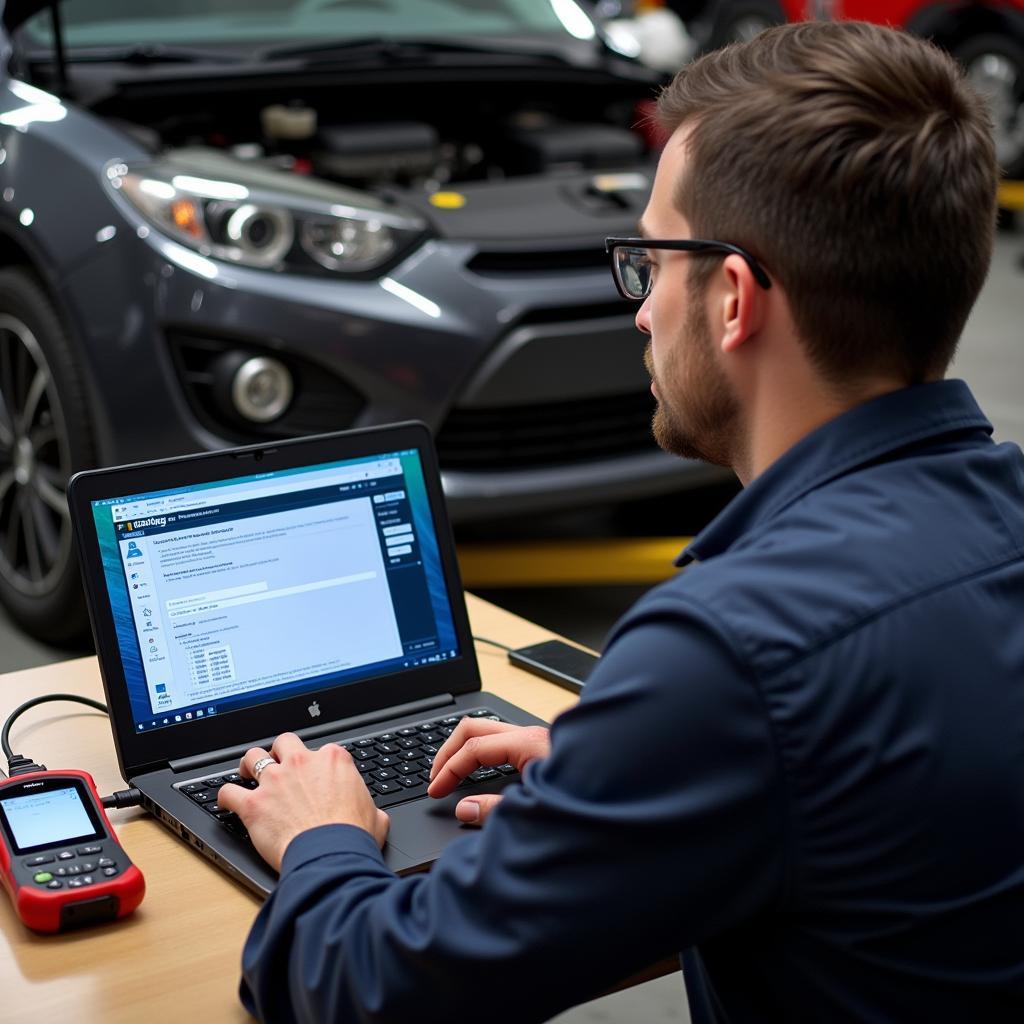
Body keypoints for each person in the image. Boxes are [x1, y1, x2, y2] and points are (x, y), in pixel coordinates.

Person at [217, 20, 1024, 1023]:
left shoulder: (732, 650)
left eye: (651, 262)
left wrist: (320, 834)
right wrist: (622, 772)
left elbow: (353, 993)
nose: (640, 310)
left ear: (731, 298)